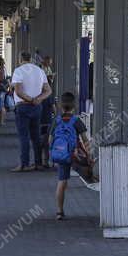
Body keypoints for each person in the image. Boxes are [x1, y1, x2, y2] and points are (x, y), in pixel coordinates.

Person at [49, 92, 90, 220]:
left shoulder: (56, 121)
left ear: (61, 106)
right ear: (74, 106)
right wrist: (89, 156)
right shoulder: (77, 121)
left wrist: (54, 152)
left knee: (61, 182)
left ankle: (59, 211)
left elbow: (50, 140)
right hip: (75, 155)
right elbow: (85, 140)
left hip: (62, 155)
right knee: (89, 170)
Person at [11, 50, 51, 171]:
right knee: (36, 136)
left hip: (23, 107)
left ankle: (24, 164)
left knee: (24, 136)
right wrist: (38, 99)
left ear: (20, 59)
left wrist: (30, 100)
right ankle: (38, 163)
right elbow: (48, 90)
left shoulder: (18, 71)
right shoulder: (40, 71)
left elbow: (18, 91)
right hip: (37, 108)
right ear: (30, 59)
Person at [39, 56, 56, 166]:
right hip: (48, 120)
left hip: (39, 120)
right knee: (48, 142)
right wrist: (55, 114)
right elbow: (53, 107)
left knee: (41, 141)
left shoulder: (37, 94)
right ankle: (48, 161)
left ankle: (41, 161)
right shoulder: (49, 95)